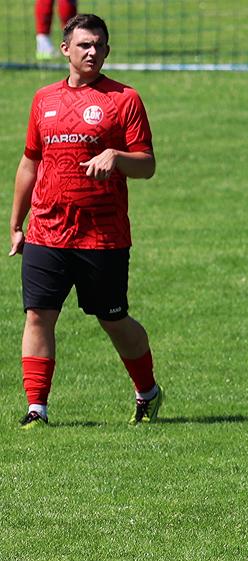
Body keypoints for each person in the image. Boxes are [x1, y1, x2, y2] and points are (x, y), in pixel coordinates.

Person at [10, 14, 163, 428]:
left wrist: (117, 157)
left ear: (108, 50)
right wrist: (16, 223)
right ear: (65, 50)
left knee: (113, 319)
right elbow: (30, 162)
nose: (92, 52)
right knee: (38, 315)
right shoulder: (43, 99)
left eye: (98, 45)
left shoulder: (125, 99)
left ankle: (148, 392)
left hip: (102, 234)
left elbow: (147, 165)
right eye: (84, 45)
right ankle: (37, 409)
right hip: (47, 229)